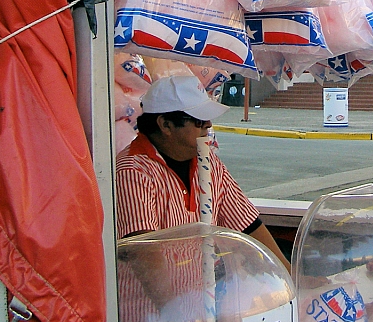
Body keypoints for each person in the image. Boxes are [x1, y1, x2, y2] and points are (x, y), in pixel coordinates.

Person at [116, 74, 290, 270]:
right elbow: (146, 258)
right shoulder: (133, 171)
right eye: (198, 120)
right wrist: (173, 302)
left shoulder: (208, 163)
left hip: (201, 296)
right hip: (150, 300)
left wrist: (290, 277)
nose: (208, 125)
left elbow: (248, 225)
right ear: (166, 124)